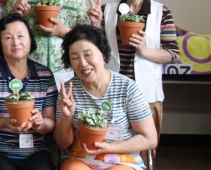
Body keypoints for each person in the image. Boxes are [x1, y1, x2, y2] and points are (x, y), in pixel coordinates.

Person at [87, 0, 179, 149]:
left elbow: (172, 54)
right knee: (108, 145)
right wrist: (95, 25)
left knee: (145, 147)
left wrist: (145, 50)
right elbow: (95, 52)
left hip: (147, 94)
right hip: (112, 91)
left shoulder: (161, 12)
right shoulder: (107, 11)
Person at [55, 24, 157, 168]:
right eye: (75, 57)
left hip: (121, 159)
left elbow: (150, 138)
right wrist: (66, 118)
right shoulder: (68, 91)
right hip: (80, 158)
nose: (83, 63)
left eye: (88, 54)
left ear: (103, 54)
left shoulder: (127, 88)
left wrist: (110, 148)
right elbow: (62, 144)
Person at [0, 11, 57, 170]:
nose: (16, 42)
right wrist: (5, 122)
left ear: (30, 40)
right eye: (8, 37)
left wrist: (40, 123)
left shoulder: (45, 75)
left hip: (34, 151)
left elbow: (50, 121)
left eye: (21, 36)